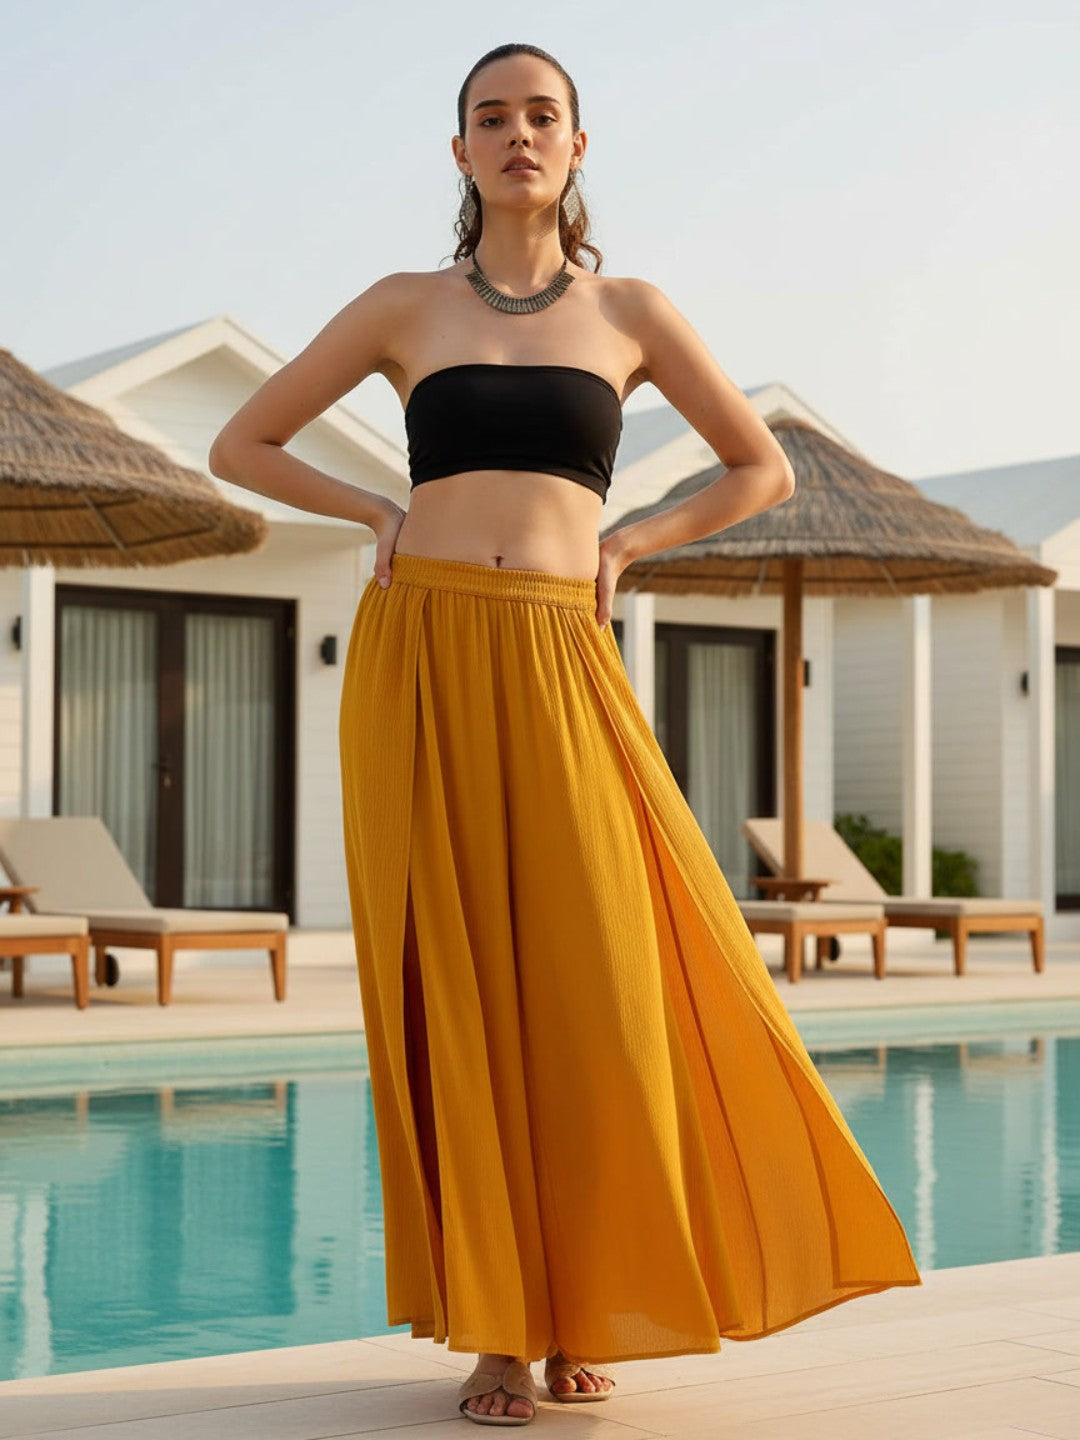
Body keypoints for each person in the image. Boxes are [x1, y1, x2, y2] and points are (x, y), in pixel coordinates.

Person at [209, 41, 922, 1431]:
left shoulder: (632, 310)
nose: (518, 134)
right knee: (464, 985)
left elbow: (758, 465)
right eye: (492, 118)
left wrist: (633, 544)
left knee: (599, 970)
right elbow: (245, 443)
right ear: (461, 154)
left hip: (560, 649)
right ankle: (498, 1333)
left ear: (578, 147)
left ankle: (590, 1299)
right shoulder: (402, 305)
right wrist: (376, 515)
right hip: (422, 648)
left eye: (543, 115)